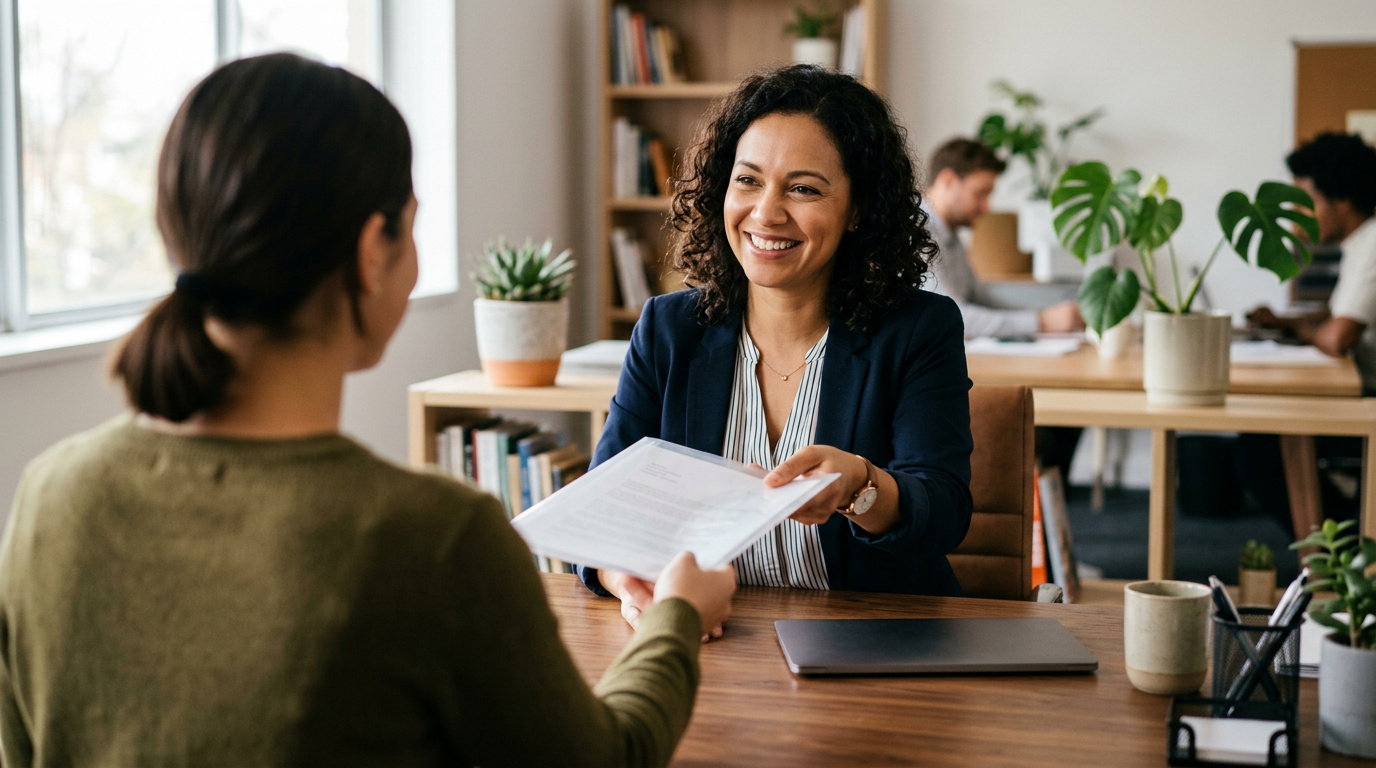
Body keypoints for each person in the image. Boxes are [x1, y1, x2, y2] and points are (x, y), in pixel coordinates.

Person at [0, 53, 735, 767]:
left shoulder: (52, 493)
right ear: (370, 253)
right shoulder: (433, 538)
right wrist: (676, 616)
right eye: (410, 225)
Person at [578, 65, 974, 631]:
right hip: (714, 644)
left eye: (804, 188)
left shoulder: (919, 329)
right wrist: (632, 585)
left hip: (874, 646)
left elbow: (943, 512)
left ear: (859, 209)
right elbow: (600, 514)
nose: (766, 212)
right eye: (748, 180)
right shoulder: (669, 329)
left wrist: (861, 485)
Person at [1248, 131, 1376, 395]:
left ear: (1342, 200)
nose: (1298, 216)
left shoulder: (1372, 244)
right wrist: (1283, 323)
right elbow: (1336, 313)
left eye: (1306, 203)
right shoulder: (1359, 244)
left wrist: (1305, 331)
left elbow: (1336, 338)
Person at [922, 137, 1084, 337]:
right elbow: (948, 317)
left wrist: (1048, 313)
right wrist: (1040, 322)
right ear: (947, 180)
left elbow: (980, 299)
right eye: (980, 194)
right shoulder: (918, 233)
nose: (986, 207)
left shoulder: (949, 235)